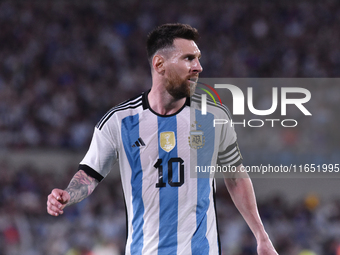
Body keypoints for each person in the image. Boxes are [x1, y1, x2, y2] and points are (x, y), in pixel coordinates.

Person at [47, 23, 278, 255]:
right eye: (189, 58)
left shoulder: (214, 116)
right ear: (159, 64)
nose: (198, 67)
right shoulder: (120, 121)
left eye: (198, 58)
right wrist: (68, 194)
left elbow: (236, 178)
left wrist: (262, 236)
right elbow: (90, 174)